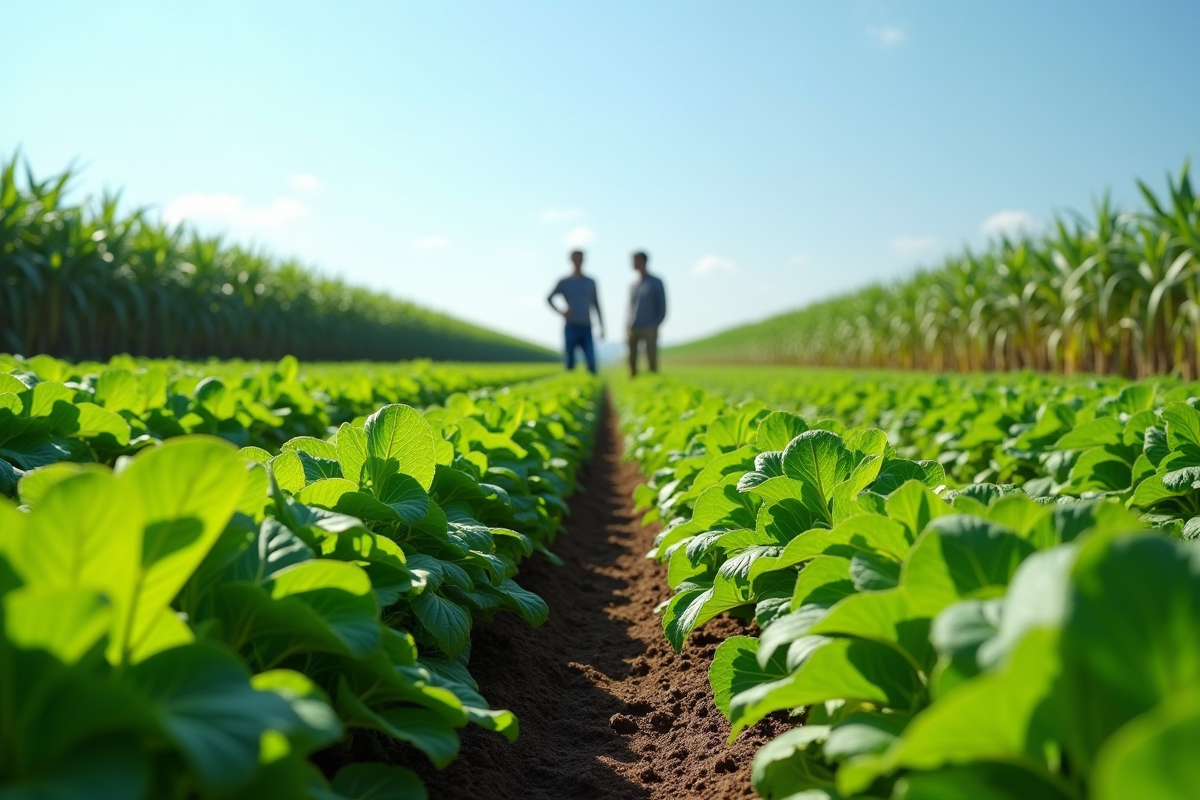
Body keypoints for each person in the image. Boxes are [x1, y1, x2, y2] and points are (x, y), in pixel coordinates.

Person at [547, 250, 604, 374]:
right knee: (570, 363)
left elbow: (597, 304)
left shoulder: (590, 282)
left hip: (586, 326)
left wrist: (602, 326)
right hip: (571, 326)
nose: (578, 261)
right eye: (575, 258)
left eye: (580, 258)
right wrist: (561, 311)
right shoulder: (564, 281)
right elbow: (549, 298)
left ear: (583, 260)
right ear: (571, 260)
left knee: (591, 362)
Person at [627, 251, 666, 376]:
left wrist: (656, 324)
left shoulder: (656, 282)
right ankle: (633, 381)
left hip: (650, 326)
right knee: (632, 358)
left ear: (642, 261)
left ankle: (653, 382)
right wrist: (627, 325)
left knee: (651, 358)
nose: (632, 263)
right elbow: (630, 307)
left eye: (635, 260)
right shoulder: (633, 284)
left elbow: (663, 306)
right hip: (634, 326)